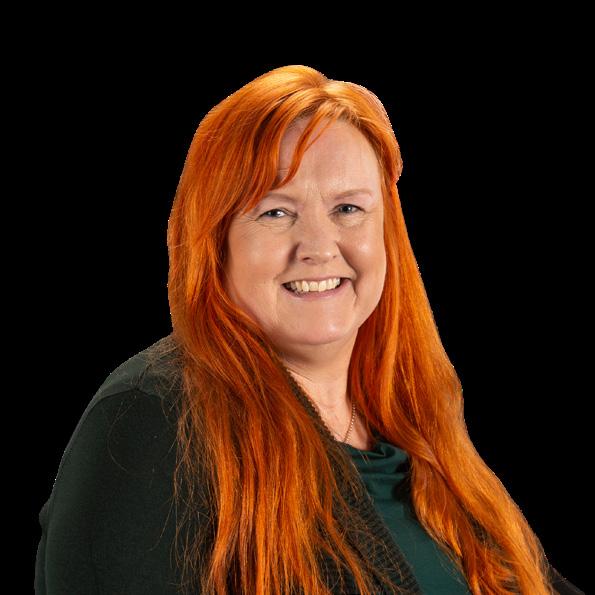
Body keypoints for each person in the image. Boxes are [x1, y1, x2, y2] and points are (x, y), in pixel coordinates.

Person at [34, 65, 583, 594]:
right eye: (275, 212)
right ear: (214, 239)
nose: (319, 247)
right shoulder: (149, 421)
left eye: (348, 208)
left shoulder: (417, 422)